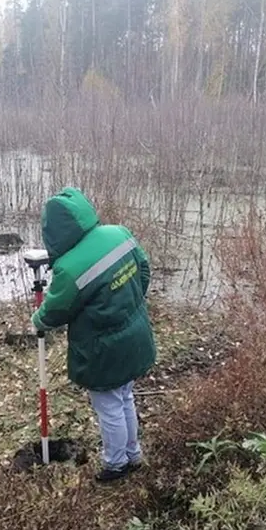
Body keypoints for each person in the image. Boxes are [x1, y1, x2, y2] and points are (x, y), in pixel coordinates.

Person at [31, 186, 157, 482]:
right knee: (124, 396)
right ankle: (133, 454)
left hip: (104, 351)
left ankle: (116, 465)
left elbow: (54, 313)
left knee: (110, 406)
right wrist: (129, 307)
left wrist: (36, 320)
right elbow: (144, 271)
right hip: (135, 336)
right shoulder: (118, 233)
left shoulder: (70, 269)